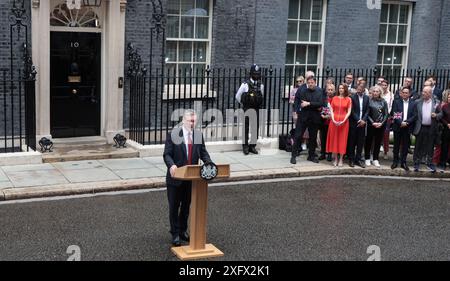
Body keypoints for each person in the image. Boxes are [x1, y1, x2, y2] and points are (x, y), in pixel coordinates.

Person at [163, 110, 212, 246]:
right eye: (190, 121)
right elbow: (167, 154)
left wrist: (208, 163)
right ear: (183, 120)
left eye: (194, 121)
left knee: (186, 206)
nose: (193, 123)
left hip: (191, 178)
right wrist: (171, 165)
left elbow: (203, 153)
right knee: (174, 207)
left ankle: (183, 231)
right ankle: (175, 233)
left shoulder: (197, 135)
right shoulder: (173, 135)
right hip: (175, 178)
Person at [290, 76, 324, 164]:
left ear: (315, 83)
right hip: (303, 117)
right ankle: (293, 156)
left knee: (313, 138)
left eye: (312, 82)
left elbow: (320, 103)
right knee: (297, 136)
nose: (310, 84)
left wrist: (309, 103)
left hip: (314, 118)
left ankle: (311, 156)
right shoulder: (302, 90)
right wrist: (297, 111)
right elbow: (299, 102)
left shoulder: (319, 91)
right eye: (309, 83)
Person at [236, 64, 264, 155]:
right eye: (254, 73)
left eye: (258, 73)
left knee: (255, 128)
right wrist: (244, 104)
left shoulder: (261, 85)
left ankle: (252, 146)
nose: (256, 75)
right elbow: (238, 96)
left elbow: (261, 96)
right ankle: (245, 146)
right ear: (251, 73)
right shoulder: (245, 84)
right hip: (247, 108)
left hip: (256, 108)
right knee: (246, 128)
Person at [412, 86, 440, 173]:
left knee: (430, 146)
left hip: (431, 127)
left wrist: (437, 116)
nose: (422, 93)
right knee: (418, 146)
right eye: (423, 91)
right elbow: (414, 115)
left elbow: (441, 113)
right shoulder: (417, 102)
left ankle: (429, 163)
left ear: (430, 93)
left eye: (425, 92)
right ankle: (416, 162)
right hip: (421, 126)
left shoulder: (436, 103)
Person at [326, 83, 352, 167]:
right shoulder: (334, 98)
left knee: (342, 140)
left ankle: (341, 159)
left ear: (345, 89)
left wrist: (344, 120)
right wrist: (333, 119)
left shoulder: (348, 99)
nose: (341, 90)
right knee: (334, 140)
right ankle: (335, 159)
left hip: (344, 122)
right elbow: (331, 110)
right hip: (334, 121)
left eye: (342, 88)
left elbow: (349, 111)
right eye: (340, 88)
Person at [391, 87, 416, 171]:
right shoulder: (396, 102)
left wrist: (407, 122)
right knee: (396, 146)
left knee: (405, 146)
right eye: (403, 92)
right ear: (401, 93)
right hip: (398, 126)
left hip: (407, 127)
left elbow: (414, 115)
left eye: (406, 93)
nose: (405, 94)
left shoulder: (413, 103)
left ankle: (403, 162)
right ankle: (395, 161)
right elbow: (394, 113)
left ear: (409, 94)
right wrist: (401, 122)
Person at [364, 85, 389, 167]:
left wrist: (381, 123)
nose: (375, 93)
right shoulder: (369, 101)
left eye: (377, 91)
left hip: (380, 125)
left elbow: (386, 114)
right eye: (374, 91)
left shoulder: (383, 102)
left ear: (380, 92)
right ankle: (367, 158)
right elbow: (367, 114)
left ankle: (375, 159)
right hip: (371, 125)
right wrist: (372, 122)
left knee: (378, 143)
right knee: (368, 142)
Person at [347, 84, 370, 168]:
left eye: (361, 88)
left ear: (364, 89)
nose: (360, 90)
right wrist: (358, 120)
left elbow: (368, 110)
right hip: (354, 123)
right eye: (358, 88)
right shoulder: (352, 98)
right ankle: (351, 159)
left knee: (360, 142)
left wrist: (363, 120)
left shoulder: (367, 98)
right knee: (352, 142)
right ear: (356, 89)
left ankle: (358, 159)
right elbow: (351, 110)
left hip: (363, 124)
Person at [319, 84, 335, 161]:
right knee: (323, 137)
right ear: (326, 90)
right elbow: (320, 108)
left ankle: (329, 153)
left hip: (332, 122)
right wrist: (321, 114)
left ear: (334, 91)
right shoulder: (323, 99)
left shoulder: (335, 99)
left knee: (331, 138)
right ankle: (322, 153)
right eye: (328, 89)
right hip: (324, 121)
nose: (330, 91)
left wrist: (331, 116)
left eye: (331, 90)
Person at [380, 79, 394, 160]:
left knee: (386, 134)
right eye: (383, 85)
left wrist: (387, 114)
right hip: (378, 116)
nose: (384, 87)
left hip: (387, 116)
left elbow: (391, 106)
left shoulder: (391, 95)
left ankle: (385, 152)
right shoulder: (379, 93)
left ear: (387, 86)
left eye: (385, 85)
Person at [437, 90, 450, 171]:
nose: (449, 98)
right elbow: (441, 117)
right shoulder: (444, 107)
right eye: (448, 97)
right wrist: (447, 124)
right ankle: (442, 163)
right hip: (446, 129)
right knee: (444, 146)